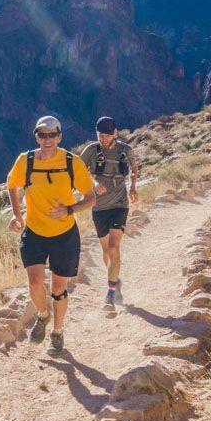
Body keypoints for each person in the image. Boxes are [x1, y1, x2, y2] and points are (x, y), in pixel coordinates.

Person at [7, 115, 96, 354]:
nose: (47, 139)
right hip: (34, 232)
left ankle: (57, 332)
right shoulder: (25, 161)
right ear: (36, 136)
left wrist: (69, 209)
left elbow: (90, 198)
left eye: (52, 135)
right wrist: (18, 215)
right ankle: (43, 315)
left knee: (58, 288)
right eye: (42, 135)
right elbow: (11, 183)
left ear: (60, 136)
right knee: (35, 284)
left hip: (64, 234)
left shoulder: (71, 162)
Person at [80, 116, 139, 312]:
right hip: (99, 206)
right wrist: (92, 183)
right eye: (100, 135)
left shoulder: (125, 150)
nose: (103, 139)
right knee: (106, 252)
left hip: (120, 203)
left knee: (114, 248)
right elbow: (78, 172)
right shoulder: (91, 151)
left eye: (107, 135)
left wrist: (133, 188)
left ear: (114, 132)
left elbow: (134, 168)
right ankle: (115, 280)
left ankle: (110, 293)